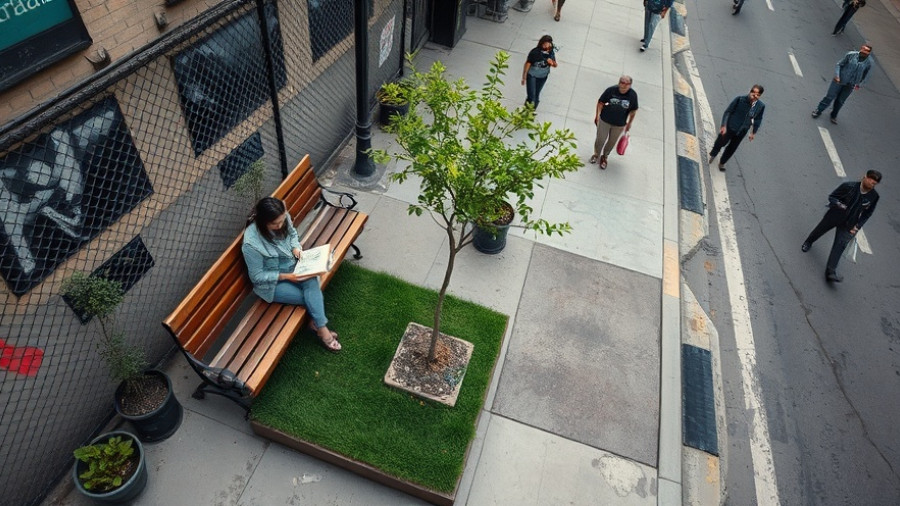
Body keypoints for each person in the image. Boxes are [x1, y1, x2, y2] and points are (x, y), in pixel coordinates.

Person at [242, 197, 341, 352]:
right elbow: (257, 277)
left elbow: (292, 234)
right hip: (272, 284)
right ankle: (322, 330)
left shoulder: (282, 216)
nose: (280, 225)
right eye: (275, 224)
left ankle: (317, 325)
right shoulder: (250, 244)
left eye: (282, 221)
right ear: (262, 222)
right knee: (308, 296)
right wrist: (287, 277)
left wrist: (295, 248)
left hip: (294, 266)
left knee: (312, 281)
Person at [801, 170, 881, 283]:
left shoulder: (874, 196)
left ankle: (831, 272)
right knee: (819, 230)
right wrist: (839, 205)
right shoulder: (848, 186)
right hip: (835, 215)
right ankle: (808, 242)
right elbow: (832, 197)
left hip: (850, 223)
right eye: (870, 180)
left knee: (839, 246)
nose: (871, 184)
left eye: (874, 183)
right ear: (865, 177)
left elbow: (868, 213)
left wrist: (857, 227)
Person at [708, 84, 765, 171]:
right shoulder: (740, 99)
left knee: (732, 148)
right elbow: (728, 112)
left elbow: (758, 119)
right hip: (730, 126)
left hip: (742, 131)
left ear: (760, 95)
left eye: (757, 94)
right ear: (750, 91)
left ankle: (722, 162)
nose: (754, 95)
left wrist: (753, 132)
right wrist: (724, 125)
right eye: (753, 92)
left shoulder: (760, 106)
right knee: (721, 141)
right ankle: (714, 153)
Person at [811, 44, 873, 124]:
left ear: (868, 53)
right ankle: (818, 110)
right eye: (862, 49)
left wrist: (859, 84)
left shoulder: (868, 63)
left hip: (850, 85)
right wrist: (837, 76)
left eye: (866, 50)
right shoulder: (851, 55)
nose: (863, 51)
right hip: (839, 80)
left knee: (840, 101)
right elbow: (839, 64)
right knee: (829, 97)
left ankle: (834, 115)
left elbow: (865, 75)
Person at [591, 75, 638, 170]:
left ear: (630, 85)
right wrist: (597, 116)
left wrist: (629, 123)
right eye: (622, 82)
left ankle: (604, 157)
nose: (623, 85)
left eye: (626, 83)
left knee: (612, 142)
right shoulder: (611, 90)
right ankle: (596, 154)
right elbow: (600, 103)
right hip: (605, 120)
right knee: (600, 139)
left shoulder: (632, 95)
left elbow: (633, 111)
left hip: (619, 124)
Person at [522, 35, 558, 110]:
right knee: (531, 95)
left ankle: (531, 111)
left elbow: (555, 65)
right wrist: (524, 76)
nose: (546, 46)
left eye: (547, 44)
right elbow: (528, 63)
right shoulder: (535, 52)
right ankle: (526, 111)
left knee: (536, 95)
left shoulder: (551, 53)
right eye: (544, 44)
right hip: (532, 75)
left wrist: (552, 63)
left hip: (543, 76)